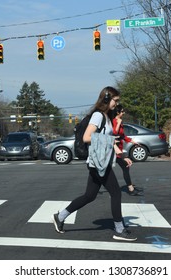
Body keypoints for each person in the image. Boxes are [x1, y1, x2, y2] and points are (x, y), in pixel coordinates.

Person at [52, 86, 137, 242]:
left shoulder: (106, 116)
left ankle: (60, 216)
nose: (117, 104)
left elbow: (108, 139)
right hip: (98, 162)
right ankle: (119, 229)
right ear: (106, 99)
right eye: (115, 100)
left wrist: (121, 155)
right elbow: (86, 137)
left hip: (100, 161)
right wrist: (110, 140)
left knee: (89, 196)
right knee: (116, 193)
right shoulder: (98, 116)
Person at [112, 104, 142, 196]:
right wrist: (118, 123)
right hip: (113, 150)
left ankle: (130, 188)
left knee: (125, 167)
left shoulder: (120, 122)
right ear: (117, 112)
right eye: (122, 111)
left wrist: (133, 142)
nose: (123, 113)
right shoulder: (114, 121)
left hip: (119, 149)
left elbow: (122, 136)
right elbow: (114, 133)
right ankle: (130, 189)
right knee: (125, 166)